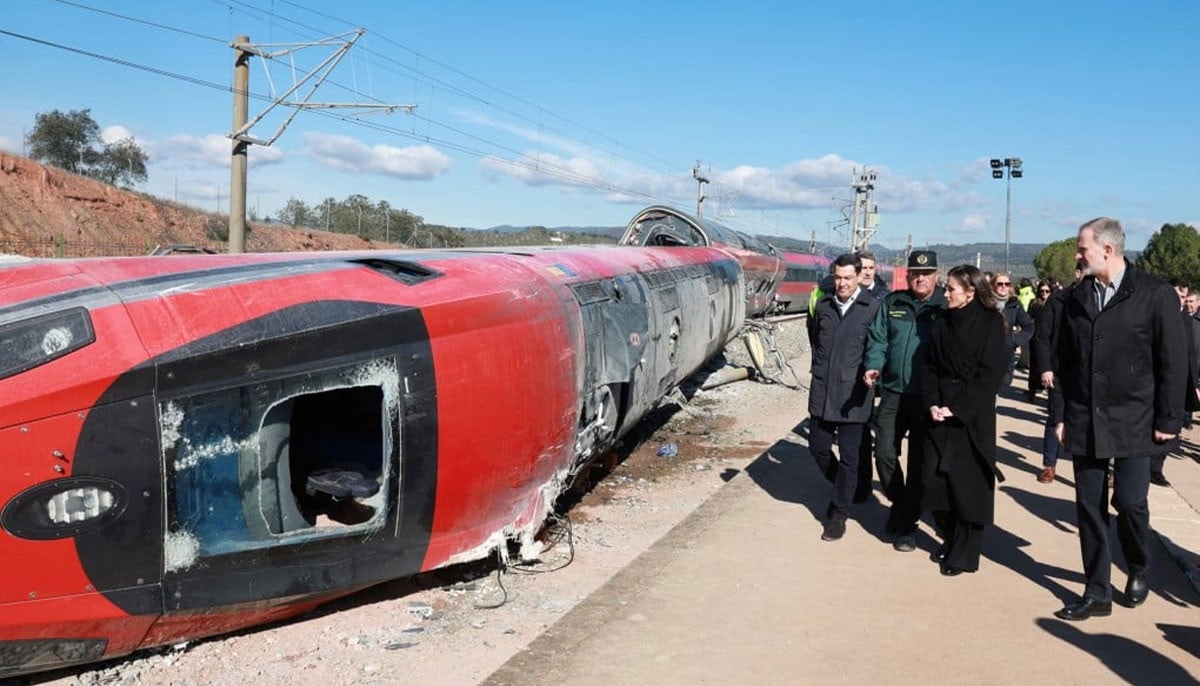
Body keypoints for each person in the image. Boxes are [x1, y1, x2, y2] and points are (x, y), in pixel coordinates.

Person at [1052, 217, 1187, 621]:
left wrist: (1169, 419)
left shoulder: (1154, 294)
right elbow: (1065, 361)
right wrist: (1059, 413)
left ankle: (1139, 564)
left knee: (1129, 502)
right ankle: (1097, 591)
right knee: (1089, 506)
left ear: (1107, 250)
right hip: (1084, 417)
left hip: (1136, 418)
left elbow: (1173, 362)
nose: (1077, 255)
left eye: (1082, 248)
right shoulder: (1077, 297)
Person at [919, 265, 1008, 575]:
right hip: (939, 410)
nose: (946, 294)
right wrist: (932, 402)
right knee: (933, 481)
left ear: (970, 292)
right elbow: (929, 365)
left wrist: (958, 410)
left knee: (967, 488)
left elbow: (991, 374)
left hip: (971, 416)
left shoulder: (991, 323)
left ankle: (965, 553)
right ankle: (951, 535)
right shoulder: (943, 321)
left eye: (951, 289)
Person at [863, 249, 946, 552]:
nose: (920, 278)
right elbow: (878, 339)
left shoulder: (945, 307)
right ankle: (902, 505)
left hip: (927, 397)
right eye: (915, 273)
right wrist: (873, 365)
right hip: (894, 392)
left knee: (919, 464)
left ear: (936, 275)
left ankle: (906, 524)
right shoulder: (893, 302)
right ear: (908, 275)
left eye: (926, 273)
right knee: (884, 452)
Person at [807, 254, 883, 541]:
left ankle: (838, 513)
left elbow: (877, 345)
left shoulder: (873, 308)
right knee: (818, 447)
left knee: (851, 457)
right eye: (838, 277)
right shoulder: (823, 305)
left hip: (855, 394)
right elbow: (815, 340)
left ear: (859, 276)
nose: (842, 283)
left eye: (847, 278)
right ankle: (847, 486)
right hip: (823, 391)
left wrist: (872, 371)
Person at [1031, 266, 1081, 483]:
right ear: (1078, 274)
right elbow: (1041, 336)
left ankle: (1096, 472)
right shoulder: (1057, 300)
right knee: (1056, 417)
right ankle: (1049, 465)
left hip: (1088, 373)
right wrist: (1045, 368)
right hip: (1059, 371)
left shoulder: (1100, 301)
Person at [991, 272, 1034, 390]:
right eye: (1000, 284)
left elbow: (1029, 326)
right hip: (986, 354)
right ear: (993, 285)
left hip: (1005, 354)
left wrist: (1013, 341)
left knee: (1002, 385)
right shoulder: (986, 303)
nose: (1004, 286)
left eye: (1007, 284)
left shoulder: (1015, 304)